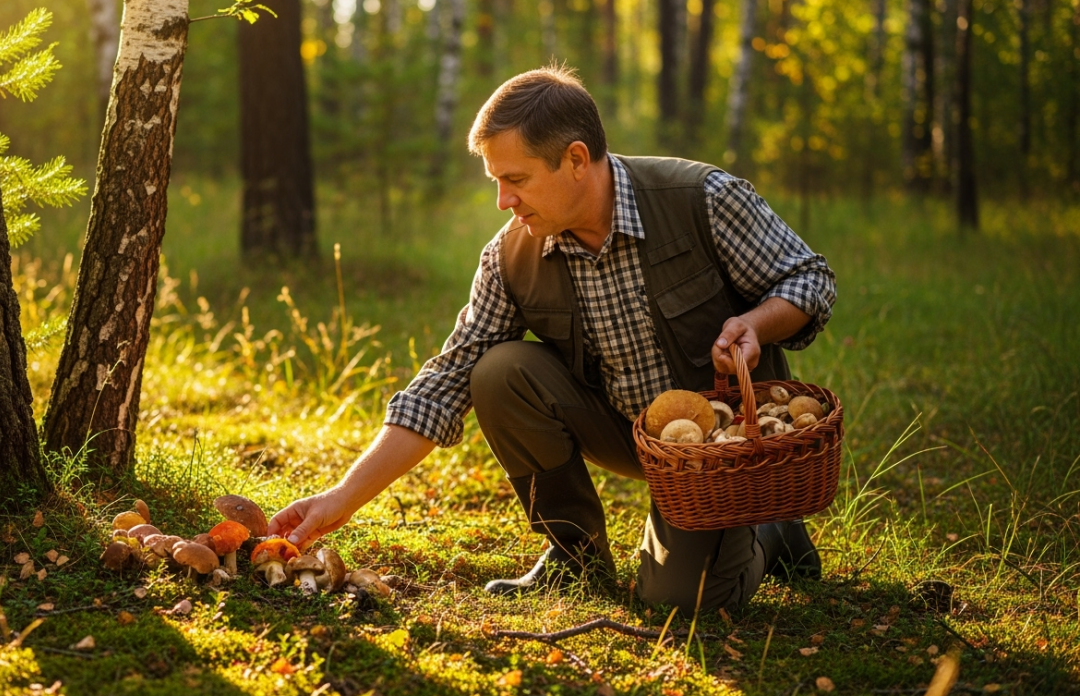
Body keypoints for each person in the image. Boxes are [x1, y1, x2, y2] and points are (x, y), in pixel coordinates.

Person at [267, 66, 837, 615]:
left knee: (679, 603)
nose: (503, 202)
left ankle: (770, 526)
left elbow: (811, 278)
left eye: (515, 180)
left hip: (726, 446)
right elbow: (445, 383)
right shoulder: (510, 255)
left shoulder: (703, 197)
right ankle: (575, 556)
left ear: (575, 161)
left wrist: (757, 324)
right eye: (496, 182)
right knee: (496, 370)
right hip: (621, 426)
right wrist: (341, 499)